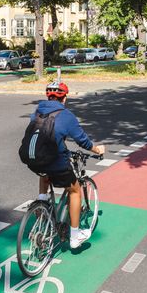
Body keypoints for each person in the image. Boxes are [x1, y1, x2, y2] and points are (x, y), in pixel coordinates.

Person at [30, 81, 105, 249]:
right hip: (55, 160)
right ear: (64, 98)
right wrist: (97, 149)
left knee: (44, 171)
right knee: (75, 190)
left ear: (47, 97)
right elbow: (82, 141)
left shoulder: (37, 111)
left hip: (32, 158)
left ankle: (42, 203)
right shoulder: (66, 115)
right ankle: (75, 236)